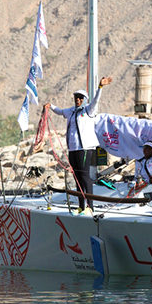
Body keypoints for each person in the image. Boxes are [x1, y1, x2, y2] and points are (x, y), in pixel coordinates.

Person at [45, 76, 112, 215]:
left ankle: (90, 206)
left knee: (84, 176)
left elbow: (96, 101)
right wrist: (50, 106)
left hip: (85, 148)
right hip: (73, 149)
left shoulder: (88, 110)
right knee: (76, 177)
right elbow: (59, 111)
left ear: (85, 99)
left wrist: (100, 87)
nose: (78, 100)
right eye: (76, 97)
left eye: (80, 97)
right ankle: (81, 206)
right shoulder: (70, 111)